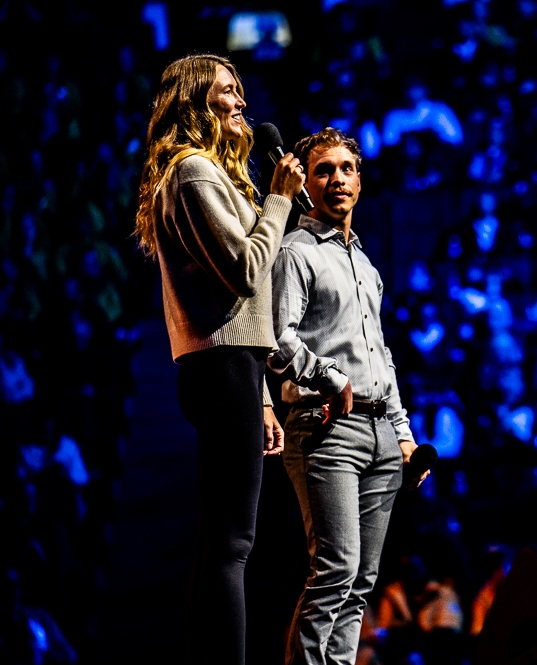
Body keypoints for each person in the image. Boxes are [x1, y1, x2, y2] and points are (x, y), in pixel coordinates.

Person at [133, 54, 304, 665]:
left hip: (234, 370)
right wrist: (280, 201)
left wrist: (259, 395)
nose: (240, 102)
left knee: (220, 543)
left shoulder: (208, 176)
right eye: (225, 92)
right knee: (233, 543)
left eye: (239, 90)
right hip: (222, 366)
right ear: (193, 105)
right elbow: (246, 272)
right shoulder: (195, 175)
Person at [268, 127, 428, 665]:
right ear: (306, 184)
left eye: (346, 168)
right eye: (323, 170)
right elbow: (275, 338)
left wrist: (403, 434)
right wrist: (330, 376)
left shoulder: (366, 265)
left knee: (361, 582)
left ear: (360, 180)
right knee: (335, 572)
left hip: (381, 432)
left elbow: (382, 356)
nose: (336, 178)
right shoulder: (294, 251)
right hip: (325, 425)